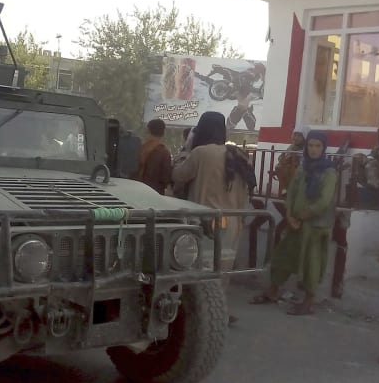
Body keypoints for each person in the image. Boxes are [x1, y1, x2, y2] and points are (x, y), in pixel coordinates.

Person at [171, 112, 256, 324]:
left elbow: (178, 175)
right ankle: (218, 313)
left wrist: (185, 150)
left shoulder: (201, 153)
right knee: (222, 272)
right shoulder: (238, 155)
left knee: (200, 272)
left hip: (206, 222)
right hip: (233, 222)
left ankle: (197, 318)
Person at [250, 130, 337, 315]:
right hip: (295, 223)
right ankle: (272, 291)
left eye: (317, 146)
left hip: (315, 226)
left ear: (323, 148)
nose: (313, 150)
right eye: (311, 146)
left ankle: (308, 302)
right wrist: (289, 214)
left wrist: (302, 216)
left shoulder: (329, 172)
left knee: (311, 264)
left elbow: (324, 201)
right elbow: (291, 192)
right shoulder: (303, 167)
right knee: (283, 256)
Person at [133, 119, 173, 194]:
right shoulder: (164, 153)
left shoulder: (139, 149)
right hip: (155, 194)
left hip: (137, 190)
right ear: (163, 132)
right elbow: (166, 179)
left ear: (148, 130)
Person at [272, 127, 306, 195]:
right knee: (278, 167)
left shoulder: (308, 146)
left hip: (302, 169)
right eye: (295, 135)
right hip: (289, 168)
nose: (296, 137)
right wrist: (284, 158)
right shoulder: (292, 146)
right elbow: (282, 157)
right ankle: (285, 189)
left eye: (299, 135)